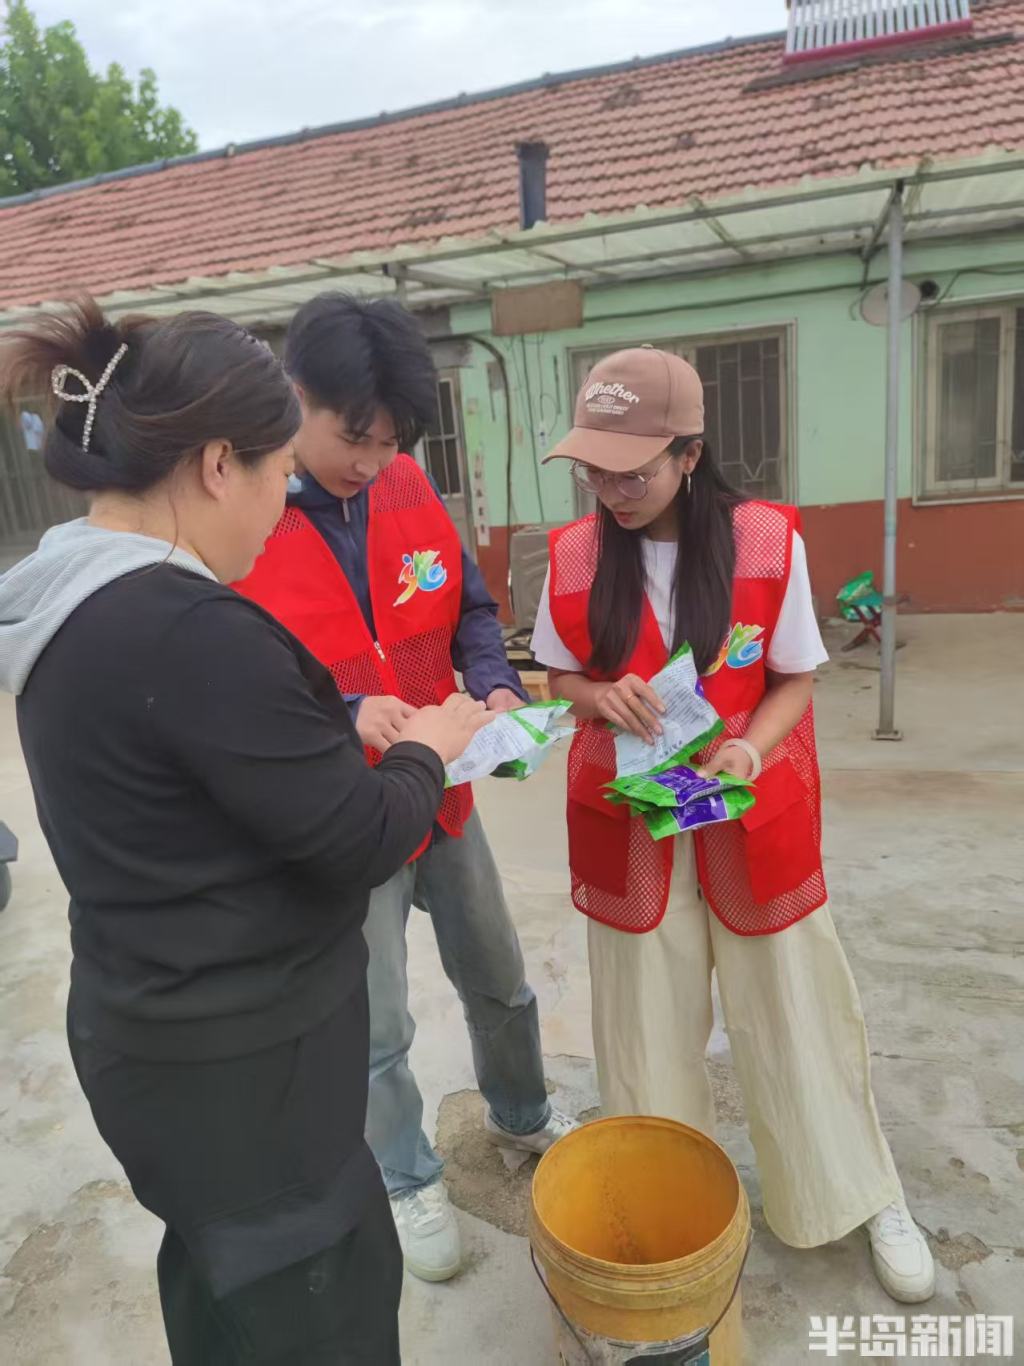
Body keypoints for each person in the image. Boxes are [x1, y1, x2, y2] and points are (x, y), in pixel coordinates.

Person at [0, 299, 492, 1364]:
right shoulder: (189, 627)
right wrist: (431, 745)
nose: (282, 508)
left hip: (157, 1038)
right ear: (220, 465)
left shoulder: (72, 597)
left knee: (224, 1292)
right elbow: (360, 837)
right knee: (316, 1313)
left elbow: (192, 764)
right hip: (248, 1075)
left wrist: (333, 722)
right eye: (279, 475)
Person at [530, 346, 935, 1305]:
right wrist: (597, 695)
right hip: (633, 825)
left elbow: (795, 678)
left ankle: (858, 1192)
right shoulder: (576, 553)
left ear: (690, 454)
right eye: (594, 471)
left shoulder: (765, 541)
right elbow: (558, 674)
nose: (611, 491)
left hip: (750, 815)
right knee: (643, 1035)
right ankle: (664, 1210)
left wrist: (750, 748)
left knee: (798, 1016)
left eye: (632, 472)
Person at [234, 292, 573, 1284]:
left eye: (390, 442)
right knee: (376, 1020)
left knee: (497, 973)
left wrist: (496, 681)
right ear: (295, 394)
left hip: (446, 792)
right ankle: (405, 1174)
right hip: (345, 815)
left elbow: (470, 606)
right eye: (355, 437)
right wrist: (343, 713)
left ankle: (522, 1115)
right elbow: (234, 675)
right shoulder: (243, 515)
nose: (371, 462)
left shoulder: (408, 487)